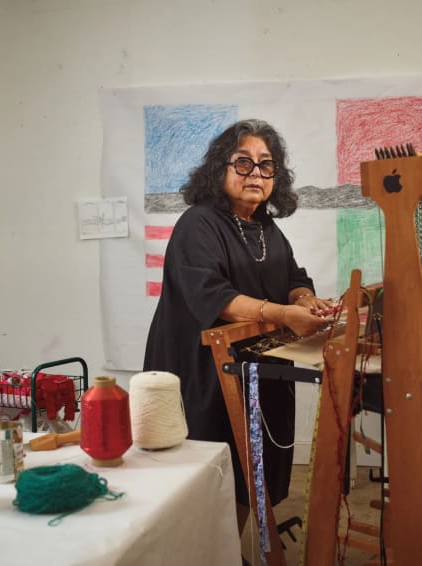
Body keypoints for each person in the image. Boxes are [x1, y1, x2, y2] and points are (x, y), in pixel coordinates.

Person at [143, 118, 333, 535]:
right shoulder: (198, 224)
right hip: (203, 370)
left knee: (253, 469)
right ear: (220, 169)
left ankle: (232, 548)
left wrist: (304, 298)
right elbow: (216, 298)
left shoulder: (266, 227)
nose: (256, 174)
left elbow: (293, 276)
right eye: (243, 163)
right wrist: (284, 315)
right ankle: (207, 551)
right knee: (213, 470)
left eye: (266, 165)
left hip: (254, 366)